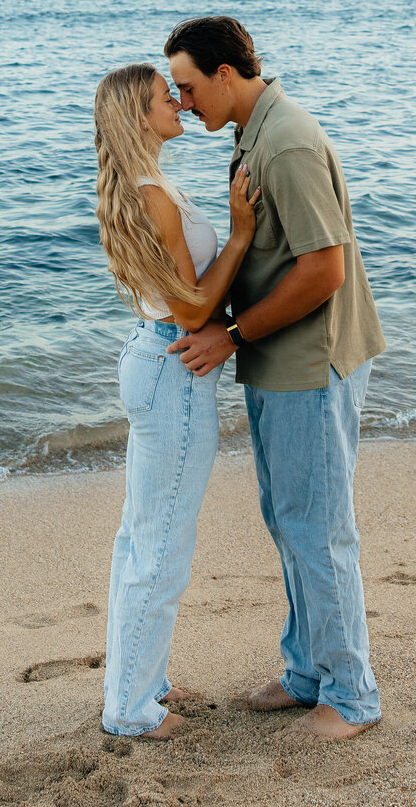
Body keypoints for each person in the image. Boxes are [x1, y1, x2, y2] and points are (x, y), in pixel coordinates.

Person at [164, 17, 386, 743]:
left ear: (226, 75)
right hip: (279, 362)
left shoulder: (284, 141)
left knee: (317, 531)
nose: (184, 101)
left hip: (307, 365)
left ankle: (350, 697)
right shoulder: (253, 130)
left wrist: (228, 335)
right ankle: (305, 673)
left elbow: (325, 269)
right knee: (288, 522)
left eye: (189, 87)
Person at [93, 62, 258, 739]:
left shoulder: (150, 185)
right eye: (169, 98)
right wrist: (242, 231)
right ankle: (131, 711)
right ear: (139, 116)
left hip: (151, 358)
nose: (181, 104)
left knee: (140, 539)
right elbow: (193, 310)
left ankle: (142, 683)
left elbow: (178, 299)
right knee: (159, 548)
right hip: (172, 365)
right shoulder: (151, 194)